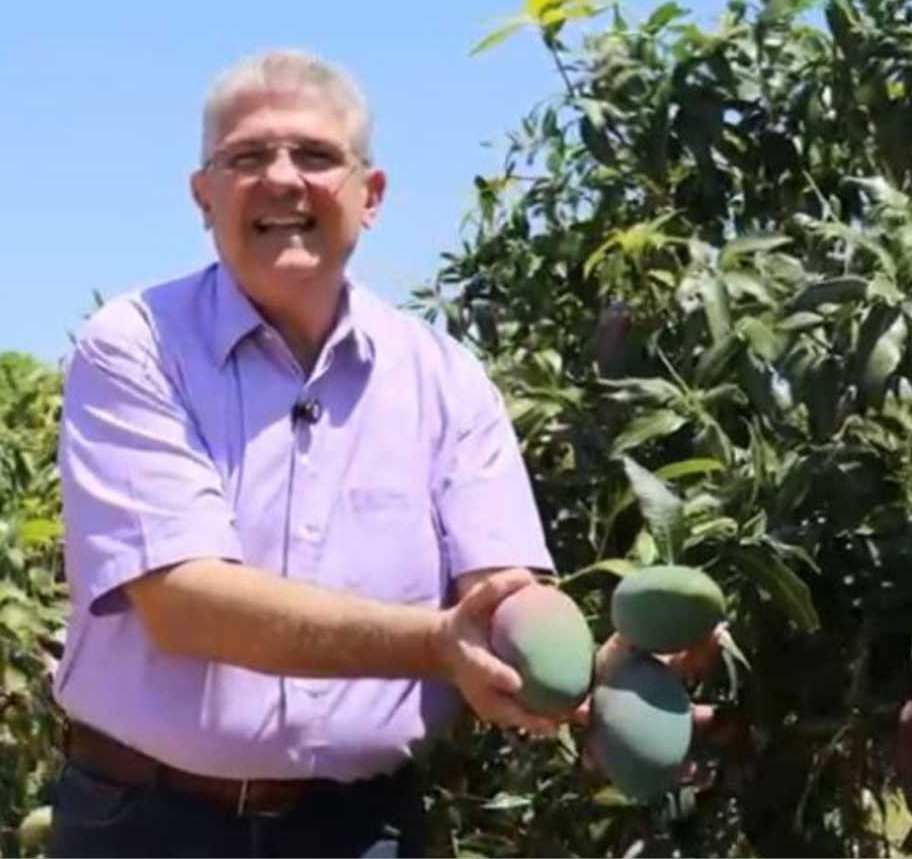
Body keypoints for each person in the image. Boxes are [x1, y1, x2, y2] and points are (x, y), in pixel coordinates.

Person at [48, 48, 720, 858]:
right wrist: (437, 644)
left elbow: (500, 598)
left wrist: (581, 672)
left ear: (371, 197)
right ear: (204, 195)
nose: (284, 180)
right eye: (248, 157)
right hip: (148, 825)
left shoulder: (445, 379)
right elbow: (184, 601)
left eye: (318, 156)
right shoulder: (136, 347)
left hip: (361, 830)